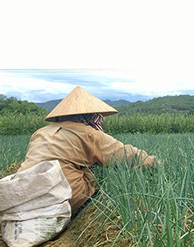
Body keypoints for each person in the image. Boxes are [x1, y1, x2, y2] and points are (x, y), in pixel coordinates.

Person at [17, 86, 158, 215]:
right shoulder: (88, 134)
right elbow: (125, 156)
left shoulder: (40, 132)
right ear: (89, 117)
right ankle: (78, 213)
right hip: (62, 196)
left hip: (22, 192)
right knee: (94, 179)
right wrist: (156, 163)